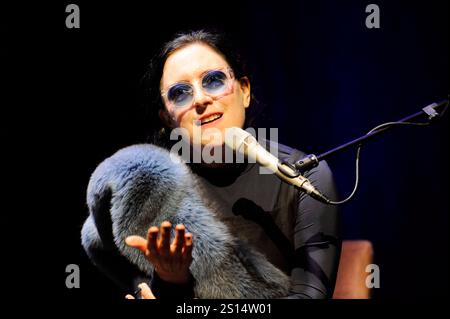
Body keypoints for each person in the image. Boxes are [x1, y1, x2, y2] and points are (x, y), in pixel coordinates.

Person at [84, 30, 342, 299]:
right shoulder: (151, 190)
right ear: (168, 119)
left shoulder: (306, 177)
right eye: (180, 93)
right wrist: (171, 279)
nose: (200, 99)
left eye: (214, 80)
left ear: (244, 90)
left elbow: (311, 297)